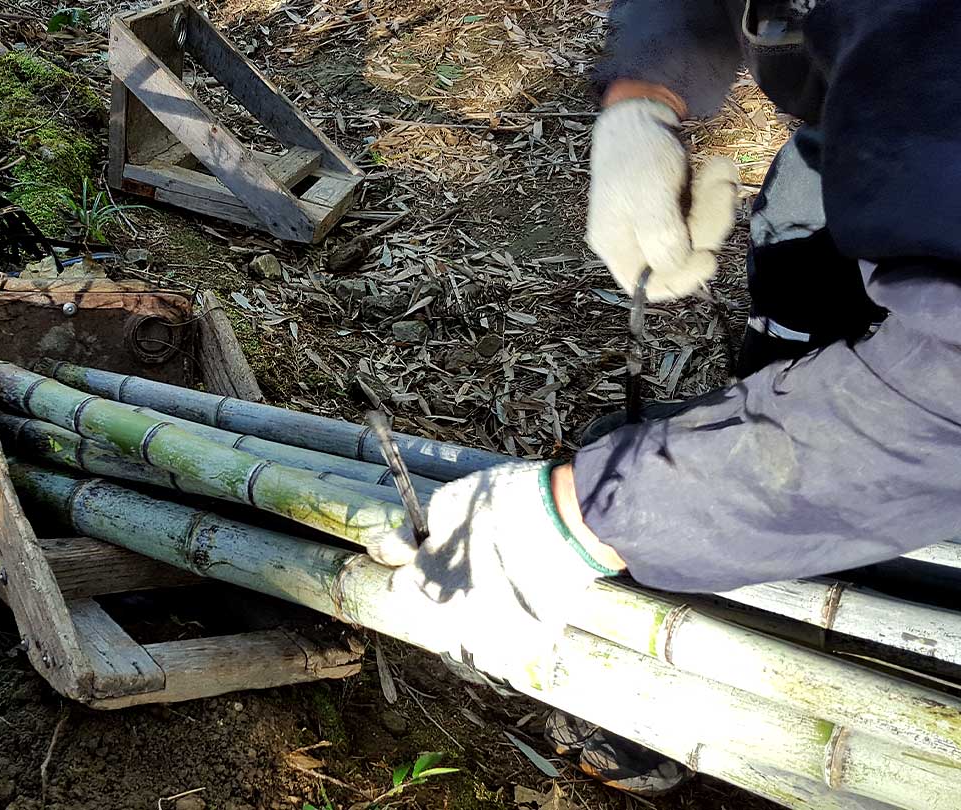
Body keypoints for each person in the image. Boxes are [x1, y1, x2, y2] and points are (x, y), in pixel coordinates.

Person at [386, 0, 961, 796]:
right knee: (795, 314)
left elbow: (946, 401)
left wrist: (596, 512)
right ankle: (754, 594)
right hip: (868, 140)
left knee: (912, 513)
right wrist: (644, 96)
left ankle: (872, 676)